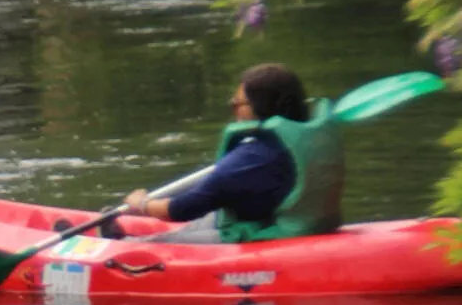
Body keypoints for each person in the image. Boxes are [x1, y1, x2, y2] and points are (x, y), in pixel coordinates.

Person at [118, 63, 344, 243]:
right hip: (301, 222)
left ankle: (125, 244)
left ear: (261, 106)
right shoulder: (305, 135)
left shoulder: (250, 159)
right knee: (211, 219)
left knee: (154, 245)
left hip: (264, 235)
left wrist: (143, 204)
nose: (233, 108)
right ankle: (121, 236)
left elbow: (181, 210)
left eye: (237, 104)